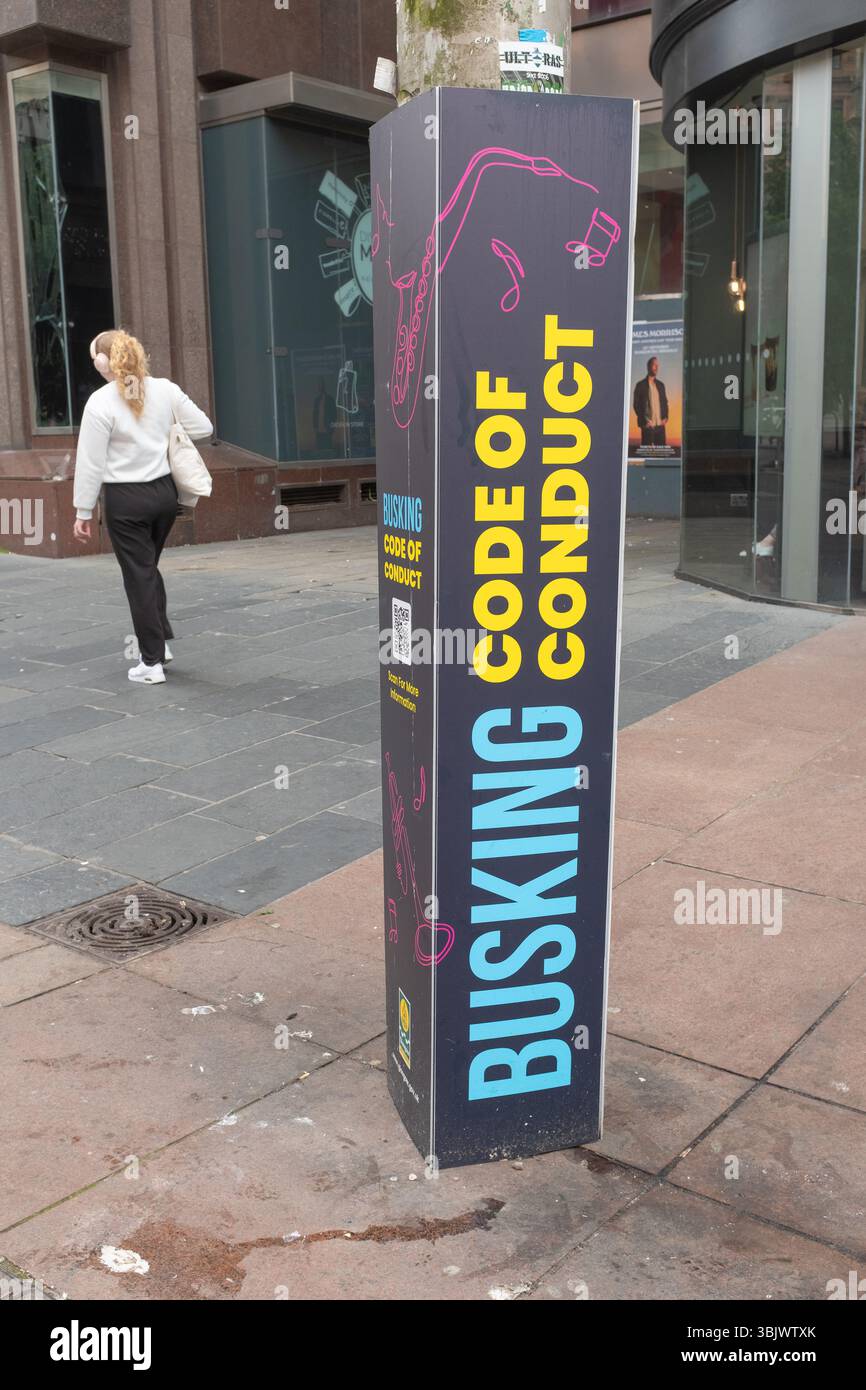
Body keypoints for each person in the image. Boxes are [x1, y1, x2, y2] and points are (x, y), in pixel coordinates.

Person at [73, 329, 213, 684]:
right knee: (147, 568)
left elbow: (89, 463)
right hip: (165, 496)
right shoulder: (165, 389)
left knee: (138, 575)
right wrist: (162, 427)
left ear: (103, 363)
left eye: (94, 359)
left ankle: (150, 663)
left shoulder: (100, 402)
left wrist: (82, 511)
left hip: (125, 501)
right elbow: (203, 427)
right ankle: (160, 644)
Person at [633, 355, 669, 448]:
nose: (657, 367)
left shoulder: (661, 385)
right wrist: (645, 422)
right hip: (647, 427)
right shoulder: (640, 385)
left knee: (661, 457)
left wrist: (665, 418)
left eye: (658, 365)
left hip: (660, 427)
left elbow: (665, 402)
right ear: (648, 366)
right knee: (647, 456)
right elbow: (636, 405)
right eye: (654, 365)